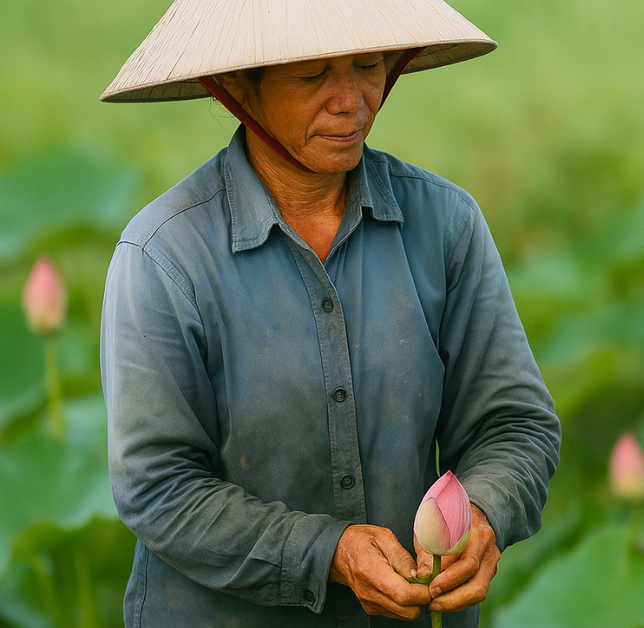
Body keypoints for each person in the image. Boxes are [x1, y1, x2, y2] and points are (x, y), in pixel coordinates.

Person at [98, 1, 561, 626]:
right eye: (313, 74)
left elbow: (514, 425)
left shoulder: (445, 225)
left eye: (369, 65)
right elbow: (159, 489)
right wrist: (329, 552)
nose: (351, 100)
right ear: (239, 86)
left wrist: (482, 514)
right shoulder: (162, 256)